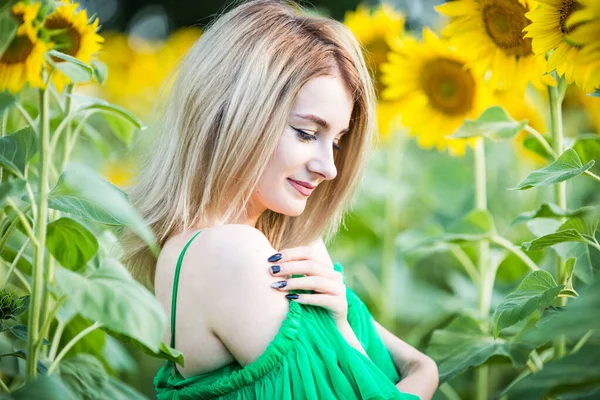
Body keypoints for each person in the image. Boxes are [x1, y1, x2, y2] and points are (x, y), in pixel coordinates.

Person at [120, 0, 439, 398]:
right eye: (307, 133)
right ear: (236, 114)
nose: (330, 168)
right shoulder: (228, 252)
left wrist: (420, 368)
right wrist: (422, 371)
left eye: (337, 142)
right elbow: (400, 377)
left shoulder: (281, 243)